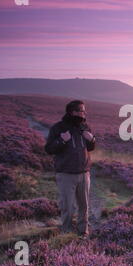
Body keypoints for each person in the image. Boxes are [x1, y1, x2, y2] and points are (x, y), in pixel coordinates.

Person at [44, 100, 96, 238]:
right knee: (67, 206)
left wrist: (92, 140)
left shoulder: (85, 127)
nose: (84, 113)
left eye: (85, 110)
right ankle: (66, 232)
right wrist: (62, 140)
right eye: (81, 110)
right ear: (72, 112)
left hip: (84, 173)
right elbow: (49, 149)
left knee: (84, 206)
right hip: (66, 174)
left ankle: (83, 232)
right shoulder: (58, 128)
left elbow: (90, 147)